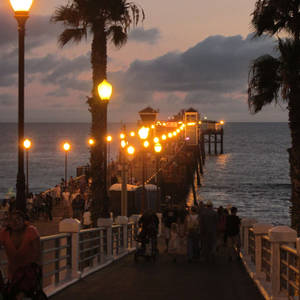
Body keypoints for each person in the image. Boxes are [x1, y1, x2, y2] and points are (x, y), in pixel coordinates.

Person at [0, 210, 42, 299]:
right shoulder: (4, 233)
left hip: (29, 273)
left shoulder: (31, 231)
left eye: (18, 219)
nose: (15, 222)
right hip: (13, 274)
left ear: (24, 221)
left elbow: (37, 253)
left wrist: (32, 271)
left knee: (20, 296)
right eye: (12, 220)